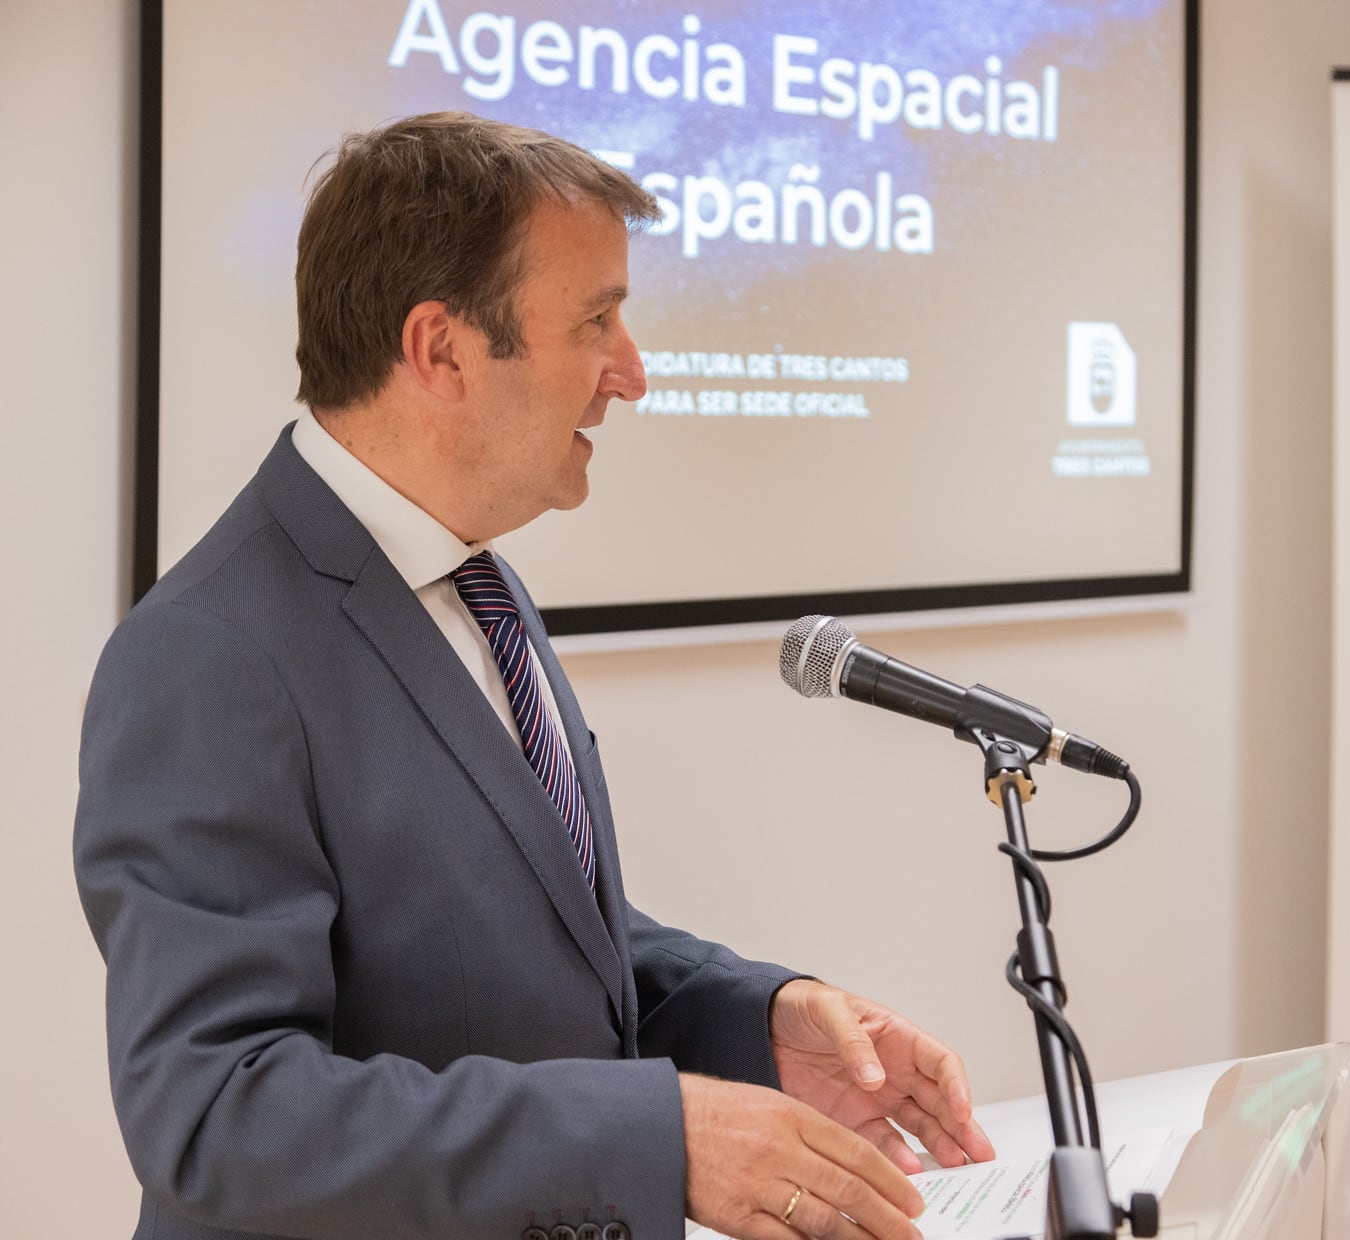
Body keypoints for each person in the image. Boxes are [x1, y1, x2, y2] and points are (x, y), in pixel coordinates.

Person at [74, 111, 993, 1240]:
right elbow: (216, 1113)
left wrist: (753, 1019)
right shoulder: (207, 656)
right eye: (596, 320)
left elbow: (516, 934)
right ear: (442, 349)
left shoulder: (474, 583)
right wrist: (657, 1135)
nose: (634, 373)